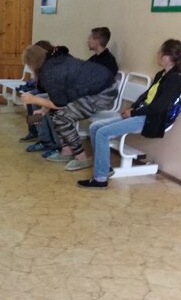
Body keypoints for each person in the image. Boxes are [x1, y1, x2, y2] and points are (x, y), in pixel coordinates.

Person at [78, 39, 181, 189]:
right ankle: (104, 168)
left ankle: (100, 179)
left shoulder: (175, 80)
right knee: (95, 127)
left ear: (167, 57)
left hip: (151, 119)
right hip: (141, 113)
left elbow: (158, 108)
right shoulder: (161, 75)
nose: (157, 55)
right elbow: (145, 96)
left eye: (160, 52)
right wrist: (132, 108)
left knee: (102, 133)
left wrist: (133, 113)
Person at [21, 44, 117, 171]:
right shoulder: (53, 61)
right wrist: (43, 109)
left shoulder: (48, 73)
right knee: (52, 113)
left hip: (102, 92)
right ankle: (64, 150)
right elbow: (58, 94)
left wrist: (33, 99)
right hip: (95, 87)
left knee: (61, 118)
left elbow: (59, 103)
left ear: (31, 64)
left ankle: (81, 157)